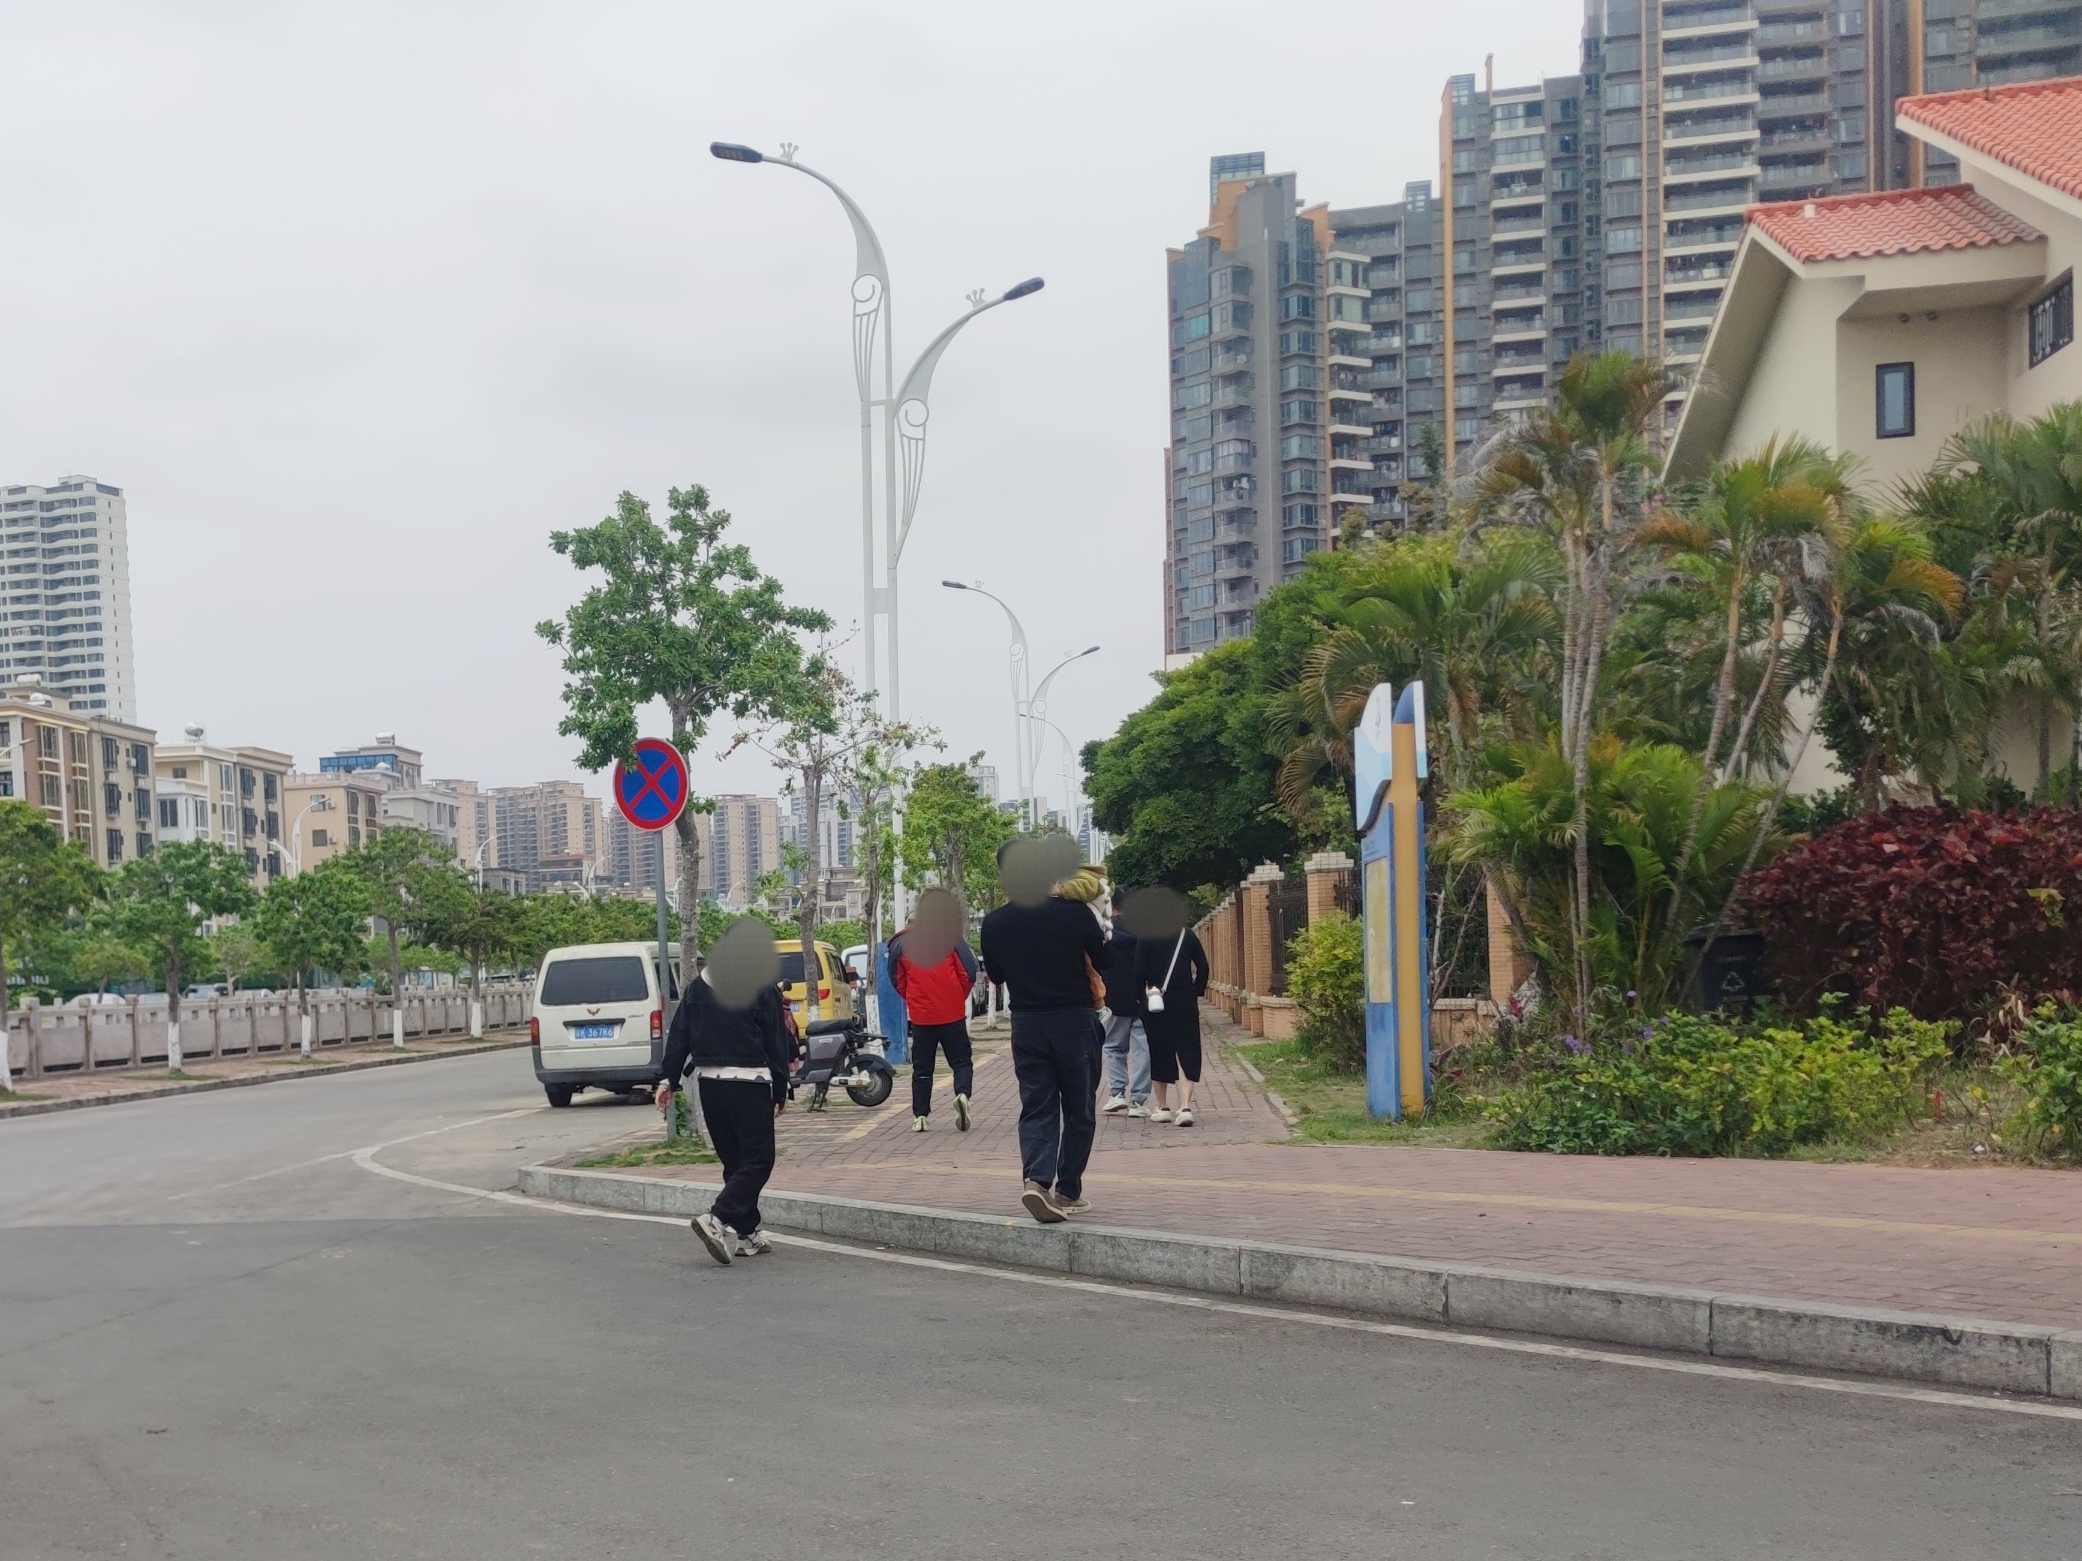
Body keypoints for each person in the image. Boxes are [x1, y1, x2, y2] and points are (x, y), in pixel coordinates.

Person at [979, 841, 1109, 1224]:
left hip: (1027, 1025)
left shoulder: (995, 922)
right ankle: (1067, 1190)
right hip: (1075, 1020)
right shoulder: (1076, 914)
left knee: (1037, 1104)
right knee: (1080, 1108)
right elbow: (1106, 960)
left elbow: (996, 976)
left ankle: (1036, 1181)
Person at [654, 966, 792, 1264]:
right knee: (758, 1161)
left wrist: (667, 1080)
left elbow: (679, 1035)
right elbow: (775, 1040)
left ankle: (748, 1234)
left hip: (709, 1084)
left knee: (736, 1162)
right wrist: (781, 1088)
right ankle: (715, 1219)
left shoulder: (698, 986)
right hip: (750, 1083)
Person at [889, 895, 981, 1132]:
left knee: (922, 1068)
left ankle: (920, 1116)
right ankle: (962, 1095)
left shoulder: (901, 943)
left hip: (922, 1017)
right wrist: (956, 997)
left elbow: (897, 980)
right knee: (961, 1062)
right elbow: (969, 973)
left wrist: (914, 999)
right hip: (952, 1014)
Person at [1135, 921, 1210, 1127]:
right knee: (1187, 1049)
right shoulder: (1187, 935)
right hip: (1184, 1000)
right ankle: (1185, 1107)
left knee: (1159, 1050)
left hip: (1156, 1001)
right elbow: (1203, 967)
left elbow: (1138, 971)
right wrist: (1196, 991)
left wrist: (1142, 997)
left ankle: (1163, 1107)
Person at [1098, 888, 1150, 1118]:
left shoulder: (1104, 933)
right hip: (1142, 997)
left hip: (1113, 998)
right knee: (1143, 1049)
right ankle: (1139, 1100)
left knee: (1113, 1046)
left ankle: (1117, 1093)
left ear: (1111, 905)